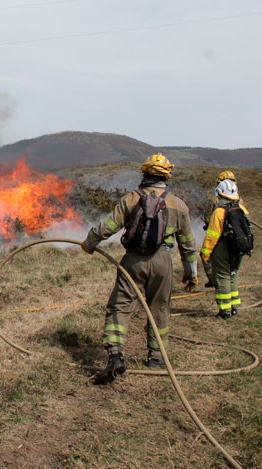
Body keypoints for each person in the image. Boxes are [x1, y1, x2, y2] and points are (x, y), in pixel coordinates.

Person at [81, 153, 198, 383]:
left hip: (133, 262)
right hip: (163, 261)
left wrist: (89, 243)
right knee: (159, 309)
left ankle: (115, 355)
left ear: (145, 173)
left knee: (120, 307)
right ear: (167, 176)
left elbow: (108, 226)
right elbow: (188, 245)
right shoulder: (178, 205)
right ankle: (156, 356)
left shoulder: (132, 199)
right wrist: (190, 273)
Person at [201, 175, 250, 319]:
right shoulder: (243, 209)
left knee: (222, 278)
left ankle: (225, 312)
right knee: (233, 276)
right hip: (239, 248)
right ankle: (234, 308)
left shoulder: (219, 212)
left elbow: (212, 237)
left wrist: (206, 254)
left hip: (223, 248)